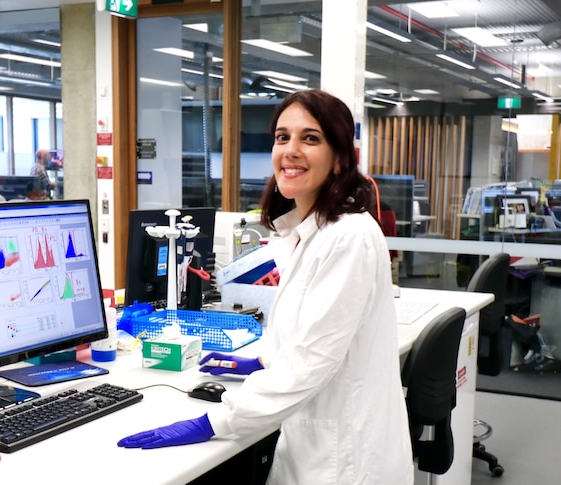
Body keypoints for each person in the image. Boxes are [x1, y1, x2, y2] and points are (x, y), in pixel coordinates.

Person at [117, 90, 414, 484]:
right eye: (282, 137)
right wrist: (263, 363)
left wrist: (213, 421)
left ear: (340, 158)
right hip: (321, 446)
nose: (290, 150)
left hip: (345, 460)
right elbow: (310, 336)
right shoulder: (310, 232)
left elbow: (311, 361)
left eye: (310, 138)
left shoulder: (347, 237)